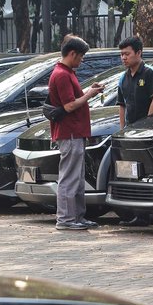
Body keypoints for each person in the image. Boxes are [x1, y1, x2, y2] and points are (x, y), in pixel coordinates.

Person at [48, 35, 105, 231]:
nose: (81, 61)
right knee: (70, 177)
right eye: (81, 57)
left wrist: (88, 91)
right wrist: (89, 94)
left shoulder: (66, 72)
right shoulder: (62, 74)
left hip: (75, 131)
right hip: (69, 131)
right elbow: (70, 105)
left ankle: (77, 216)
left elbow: (73, 99)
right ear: (72, 54)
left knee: (77, 178)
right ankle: (65, 218)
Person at [116, 35, 153, 227]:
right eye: (121, 55)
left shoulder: (151, 74)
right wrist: (122, 130)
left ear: (139, 53)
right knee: (132, 173)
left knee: (149, 172)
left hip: (148, 132)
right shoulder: (123, 77)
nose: (124, 58)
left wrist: (147, 125)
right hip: (130, 133)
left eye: (127, 54)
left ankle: (152, 214)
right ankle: (138, 215)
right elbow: (122, 105)